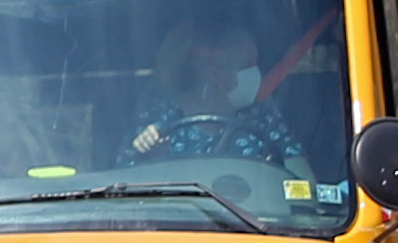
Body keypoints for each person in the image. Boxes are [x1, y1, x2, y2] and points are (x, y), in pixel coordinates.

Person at [119, 23, 305, 172]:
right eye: (247, 65)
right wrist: (150, 156)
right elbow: (122, 186)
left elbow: (302, 180)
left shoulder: (263, 117)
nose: (255, 73)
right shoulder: (160, 119)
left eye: (256, 63)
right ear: (213, 72)